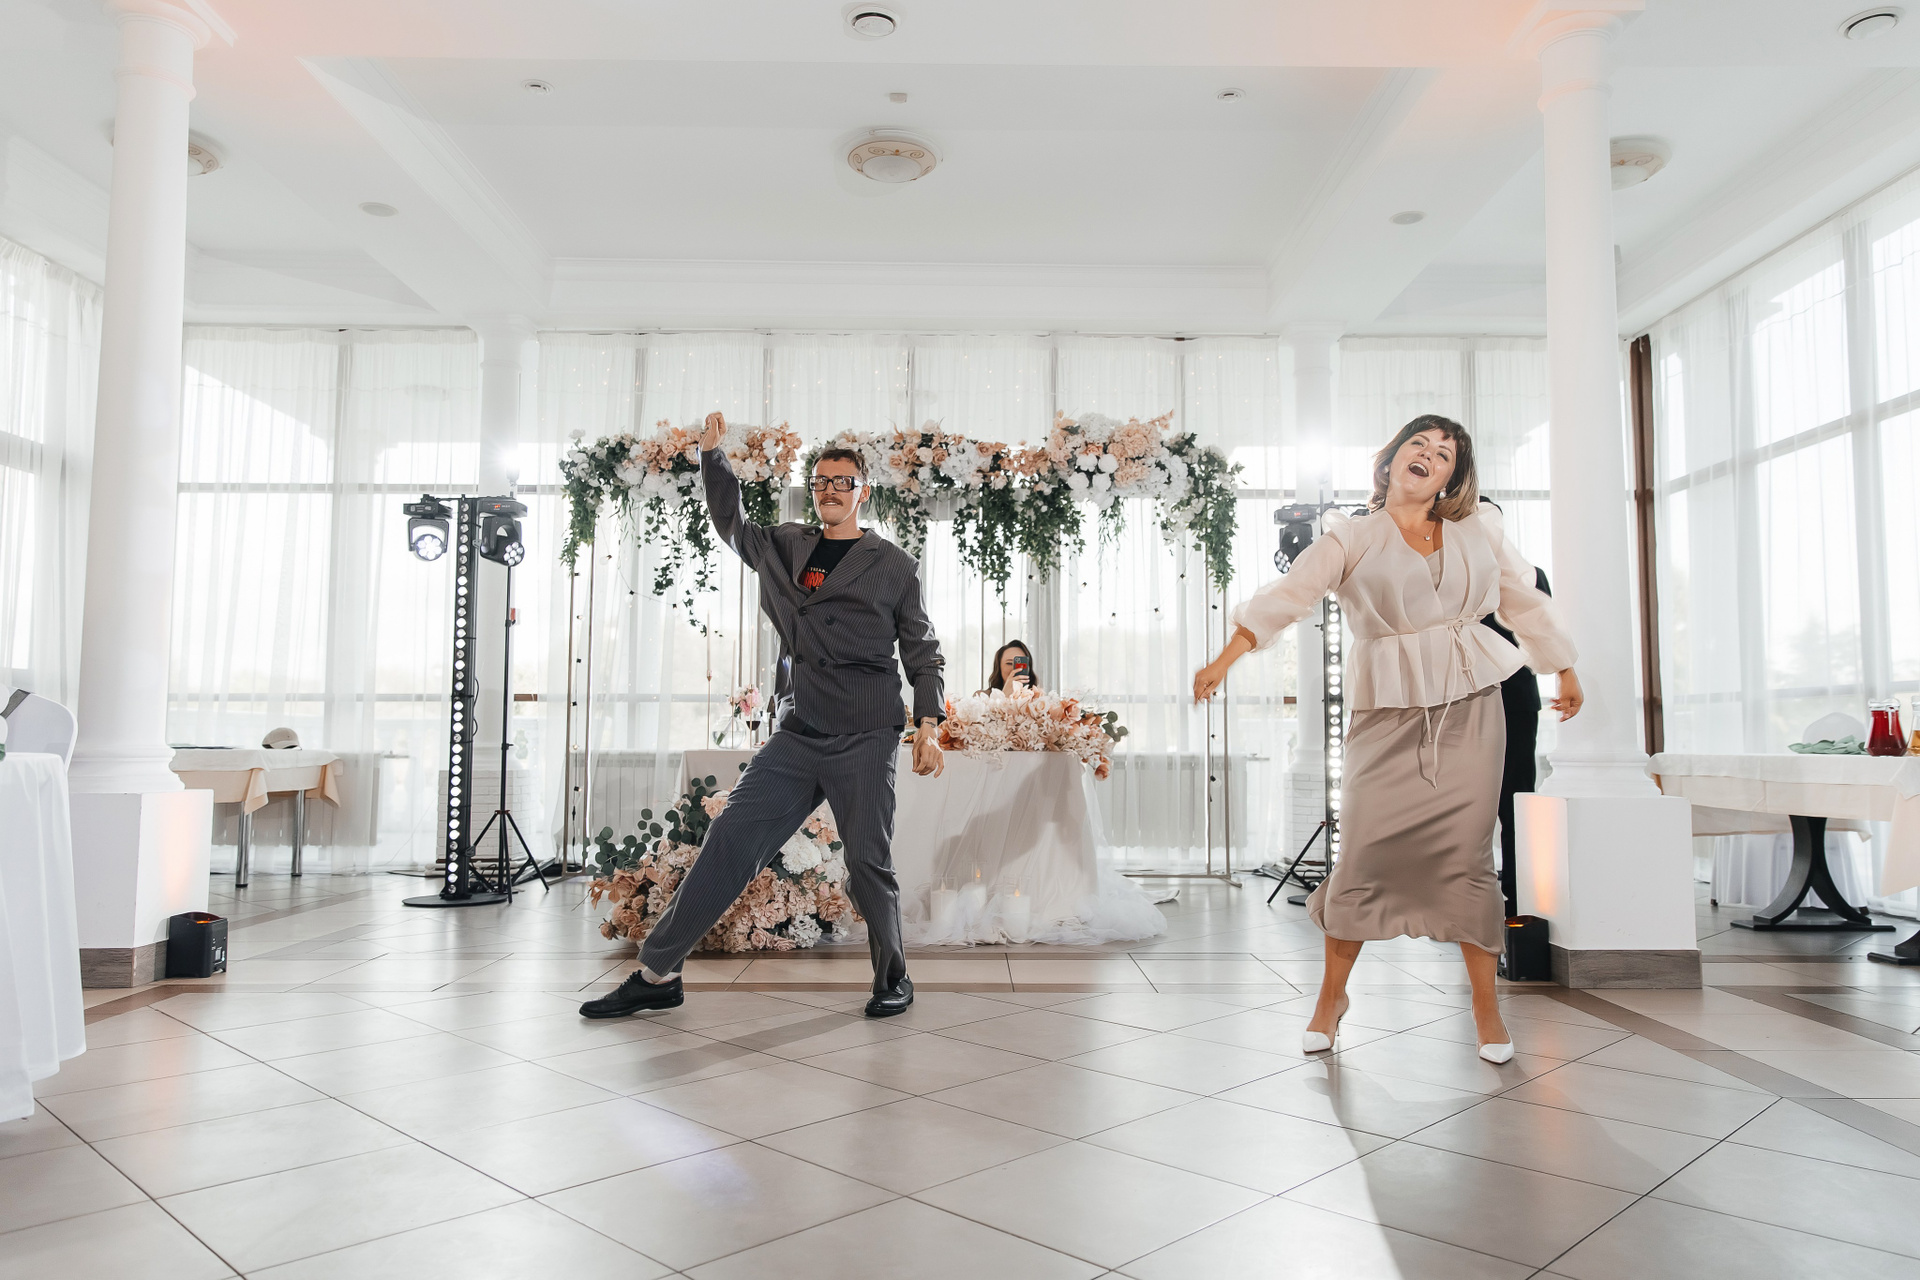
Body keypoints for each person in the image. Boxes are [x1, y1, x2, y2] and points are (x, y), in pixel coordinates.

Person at [1193, 414, 1582, 1063]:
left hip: (1471, 707)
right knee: (1363, 856)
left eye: (1445, 453)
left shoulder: (1478, 529)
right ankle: (1331, 999)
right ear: (1391, 460)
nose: (1429, 455)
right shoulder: (1351, 536)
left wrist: (1562, 666)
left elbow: (1522, 599)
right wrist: (1225, 658)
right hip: (1386, 715)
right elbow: (1290, 593)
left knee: (1467, 858)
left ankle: (1487, 1011)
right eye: (1419, 444)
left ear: (1453, 476)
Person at [580, 411, 947, 1021]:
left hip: (864, 732)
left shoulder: (893, 565)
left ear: (862, 491)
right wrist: (713, 458)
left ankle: (894, 977)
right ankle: (658, 974)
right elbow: (731, 521)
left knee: (866, 863)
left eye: (844, 482)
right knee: (729, 841)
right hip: (799, 732)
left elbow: (923, 650)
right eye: (822, 481)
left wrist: (928, 724)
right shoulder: (784, 544)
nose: (831, 490)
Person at [1477, 518, 1552, 920]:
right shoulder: (1456, 577)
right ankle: (1471, 895)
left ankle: (1518, 899)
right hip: (1470, 699)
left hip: (1516, 701)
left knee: (1517, 800)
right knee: (1471, 803)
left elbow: (1544, 632)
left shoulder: (1532, 576)